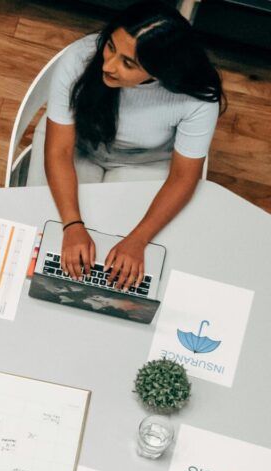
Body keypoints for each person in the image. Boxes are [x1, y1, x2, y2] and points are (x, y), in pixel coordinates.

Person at [27, 1, 225, 289]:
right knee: (46, 236)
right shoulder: (80, 58)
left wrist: (138, 239)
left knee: (126, 256)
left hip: (144, 161)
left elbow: (184, 176)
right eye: (110, 46)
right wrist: (72, 224)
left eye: (128, 63)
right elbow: (59, 150)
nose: (107, 65)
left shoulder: (197, 96)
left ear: (160, 72)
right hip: (77, 146)